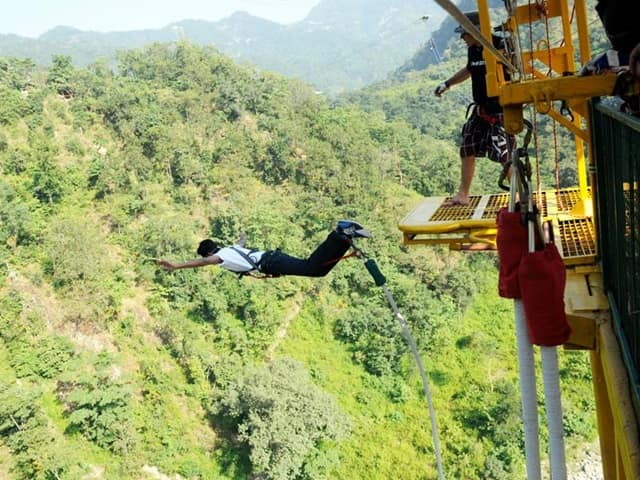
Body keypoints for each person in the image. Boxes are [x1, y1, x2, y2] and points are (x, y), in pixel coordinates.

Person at [434, 11, 515, 206]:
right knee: (467, 148)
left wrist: (505, 52)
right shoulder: (473, 50)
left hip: (500, 110)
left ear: (477, 31)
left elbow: (514, 67)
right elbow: (470, 68)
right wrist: (448, 84)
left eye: (465, 33)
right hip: (480, 110)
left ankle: (517, 194)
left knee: (505, 154)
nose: (462, 38)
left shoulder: (500, 45)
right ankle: (463, 194)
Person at [158, 220, 371, 278]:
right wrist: (242, 234)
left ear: (209, 253)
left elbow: (203, 262)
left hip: (270, 262)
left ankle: (340, 233)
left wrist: (176, 265)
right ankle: (343, 239)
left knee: (312, 268)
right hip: (271, 259)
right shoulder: (230, 249)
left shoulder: (219, 257)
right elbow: (241, 242)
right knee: (318, 270)